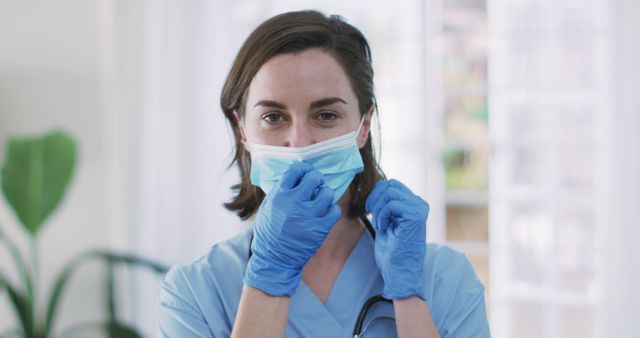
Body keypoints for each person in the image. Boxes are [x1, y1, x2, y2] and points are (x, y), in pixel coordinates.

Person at [155, 10, 490, 338]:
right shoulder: (195, 293)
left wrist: (409, 298)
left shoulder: (444, 279)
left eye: (326, 115)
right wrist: (269, 276)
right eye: (273, 117)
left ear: (364, 126)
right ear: (243, 129)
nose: (299, 141)